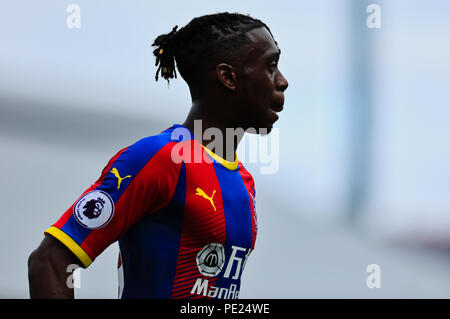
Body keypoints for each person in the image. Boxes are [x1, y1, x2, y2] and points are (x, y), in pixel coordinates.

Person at [28, 12, 288, 299]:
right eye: (271, 66)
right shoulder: (161, 159)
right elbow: (49, 263)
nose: (283, 81)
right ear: (228, 77)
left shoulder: (244, 182)